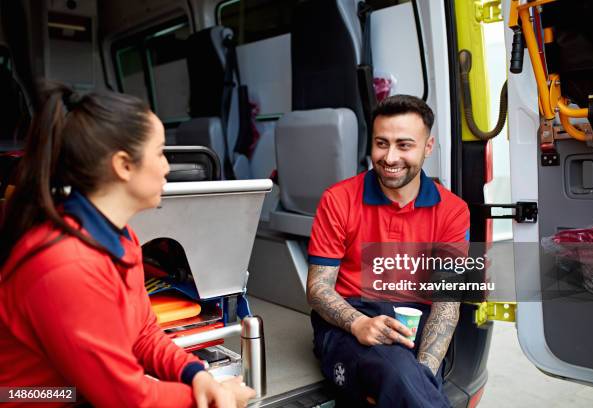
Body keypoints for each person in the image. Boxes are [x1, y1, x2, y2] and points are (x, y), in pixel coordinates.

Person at [0, 82, 255, 407]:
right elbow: (124, 399)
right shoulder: (64, 264)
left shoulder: (123, 238)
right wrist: (218, 398)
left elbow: (143, 332)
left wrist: (196, 375)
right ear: (123, 165)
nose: (167, 167)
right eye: (160, 152)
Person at [306, 95, 470, 407]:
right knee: (396, 368)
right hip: (350, 320)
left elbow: (447, 306)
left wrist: (420, 376)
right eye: (381, 143)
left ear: (428, 147)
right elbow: (317, 288)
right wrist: (358, 323)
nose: (390, 157)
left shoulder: (453, 210)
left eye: (404, 145)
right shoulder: (338, 199)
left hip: (414, 321)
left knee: (407, 372)